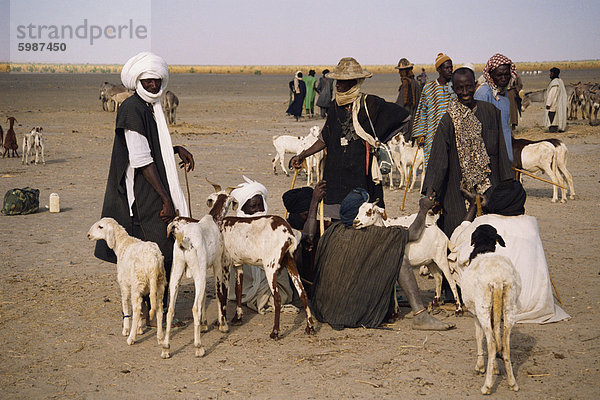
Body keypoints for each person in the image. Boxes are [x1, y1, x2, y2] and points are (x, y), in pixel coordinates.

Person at [94, 52, 195, 324]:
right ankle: (155, 313)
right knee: (161, 249)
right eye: (148, 81)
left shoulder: (151, 107)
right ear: (138, 80)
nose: (153, 86)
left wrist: (175, 149)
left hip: (153, 185)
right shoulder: (131, 110)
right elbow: (141, 160)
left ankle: (154, 311)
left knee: (163, 250)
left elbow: (152, 147)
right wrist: (166, 200)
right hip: (143, 191)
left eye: (157, 81)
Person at [307, 186, 455, 331]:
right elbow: (414, 233)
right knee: (398, 255)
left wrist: (314, 202)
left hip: (323, 309)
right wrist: (423, 209)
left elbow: (309, 234)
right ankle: (420, 316)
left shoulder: (333, 230)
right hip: (352, 313)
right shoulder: (377, 236)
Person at [290, 57, 410, 219]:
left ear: (354, 82)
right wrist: (302, 155)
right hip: (336, 172)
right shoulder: (334, 106)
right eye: (337, 81)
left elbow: (400, 115)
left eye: (342, 81)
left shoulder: (369, 104)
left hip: (360, 172)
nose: (337, 85)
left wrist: (377, 140)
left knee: (363, 216)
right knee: (337, 219)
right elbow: (325, 138)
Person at [422, 65, 513, 239]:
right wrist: (431, 192)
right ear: (454, 89)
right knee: (458, 239)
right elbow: (438, 160)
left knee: (491, 239)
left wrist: (508, 186)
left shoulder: (491, 112)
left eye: (469, 87)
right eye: (460, 88)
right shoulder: (448, 120)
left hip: (490, 190)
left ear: (475, 85)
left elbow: (501, 152)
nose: (465, 92)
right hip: (457, 193)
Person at [228, 176, 295, 314]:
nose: (258, 210)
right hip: (247, 286)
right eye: (253, 206)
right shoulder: (235, 232)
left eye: (260, 205)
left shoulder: (270, 226)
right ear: (243, 208)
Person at [411, 53, 454, 171]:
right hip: (432, 134)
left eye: (451, 67)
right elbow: (422, 112)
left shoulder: (456, 87)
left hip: (452, 134)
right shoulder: (429, 88)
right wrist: (420, 134)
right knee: (433, 166)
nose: (450, 70)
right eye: (447, 68)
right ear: (439, 69)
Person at [474, 53, 517, 163]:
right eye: (499, 75)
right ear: (491, 75)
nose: (504, 78)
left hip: (505, 152)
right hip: (490, 156)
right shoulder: (484, 94)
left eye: (506, 75)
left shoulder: (503, 93)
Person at [544, 67, 568, 132]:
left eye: (551, 73)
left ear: (554, 74)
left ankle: (553, 129)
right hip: (558, 103)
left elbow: (552, 95)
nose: (550, 74)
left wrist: (548, 104)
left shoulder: (555, 83)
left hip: (554, 104)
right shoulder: (560, 81)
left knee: (552, 118)